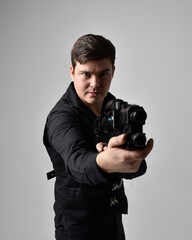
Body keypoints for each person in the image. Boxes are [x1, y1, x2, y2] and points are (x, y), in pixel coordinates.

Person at [43, 34, 154, 240]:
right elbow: (77, 162)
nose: (96, 84)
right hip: (78, 229)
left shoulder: (115, 108)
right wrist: (104, 162)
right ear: (72, 72)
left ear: (113, 71)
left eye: (104, 74)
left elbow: (133, 169)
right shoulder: (61, 118)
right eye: (86, 74)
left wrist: (132, 159)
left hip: (112, 221)